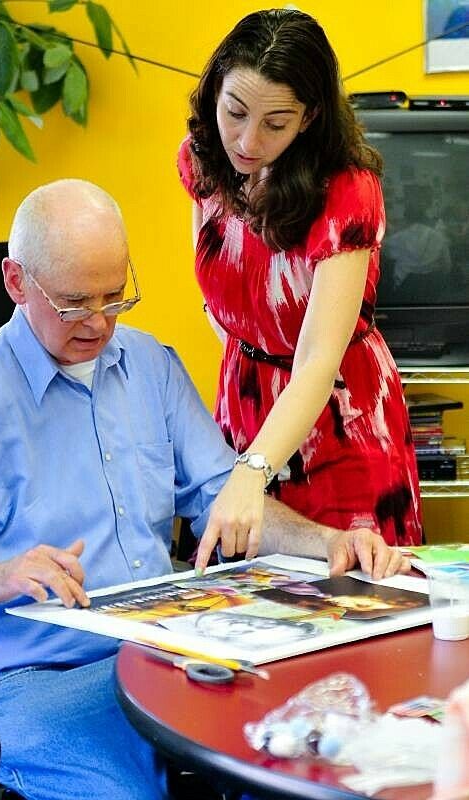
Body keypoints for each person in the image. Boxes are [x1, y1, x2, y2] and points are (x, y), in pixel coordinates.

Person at [0, 179, 408, 800]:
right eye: (76, 304)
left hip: (157, 653)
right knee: (130, 793)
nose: (101, 323)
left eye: (116, 297)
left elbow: (226, 498)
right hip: (29, 678)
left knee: (288, 763)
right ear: (16, 282)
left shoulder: (150, 367)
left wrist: (331, 545)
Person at [178, 8, 423, 573]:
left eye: (276, 123)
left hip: (339, 417)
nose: (246, 139)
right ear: (215, 90)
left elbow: (316, 358)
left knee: (354, 598)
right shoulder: (204, 159)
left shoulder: (346, 191)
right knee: (248, 609)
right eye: (234, 112)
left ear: (310, 117)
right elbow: (216, 290)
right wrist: (247, 429)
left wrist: (251, 471)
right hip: (246, 402)